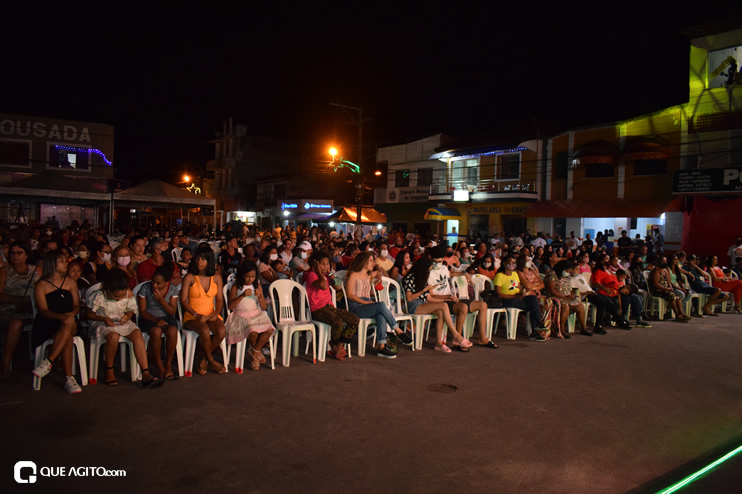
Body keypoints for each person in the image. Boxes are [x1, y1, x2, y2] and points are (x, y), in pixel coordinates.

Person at [85, 269, 164, 387]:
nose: (119, 299)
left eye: (121, 296)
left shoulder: (129, 293)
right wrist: (103, 319)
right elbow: (88, 314)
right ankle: (109, 369)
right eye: (116, 296)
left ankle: (145, 372)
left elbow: (130, 310)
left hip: (120, 321)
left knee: (137, 333)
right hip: (102, 321)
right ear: (108, 290)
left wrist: (127, 316)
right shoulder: (98, 296)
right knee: (113, 336)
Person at [29, 251, 83, 393]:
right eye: (62, 260)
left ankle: (49, 361)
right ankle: (69, 378)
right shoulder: (41, 285)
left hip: (69, 319)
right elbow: (43, 310)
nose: (66, 262)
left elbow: (77, 305)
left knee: (67, 325)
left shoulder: (70, 282)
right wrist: (61, 317)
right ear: (52, 263)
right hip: (49, 321)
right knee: (68, 336)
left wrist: (70, 315)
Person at [345, 252, 412, 358]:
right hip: (356, 306)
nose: (373, 263)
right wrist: (366, 302)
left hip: (367, 305)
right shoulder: (354, 275)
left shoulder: (368, 274)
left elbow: (384, 275)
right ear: (364, 262)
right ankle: (398, 330)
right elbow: (349, 295)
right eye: (371, 261)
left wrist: (379, 273)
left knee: (381, 316)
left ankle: (381, 346)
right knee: (380, 306)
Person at [427, 246, 493, 348]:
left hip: (451, 299)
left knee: (482, 305)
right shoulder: (428, 273)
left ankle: (482, 338)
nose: (438, 264)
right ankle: (457, 339)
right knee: (463, 307)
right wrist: (448, 296)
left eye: (440, 261)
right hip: (440, 301)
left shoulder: (444, 268)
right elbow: (431, 295)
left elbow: (451, 273)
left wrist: (464, 273)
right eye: (436, 262)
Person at [403, 256, 471, 352]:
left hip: (423, 303)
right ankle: (456, 335)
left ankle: (438, 343)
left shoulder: (423, 277)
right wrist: (424, 290)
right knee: (443, 305)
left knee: (440, 311)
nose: (429, 271)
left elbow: (429, 298)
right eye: (428, 269)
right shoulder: (410, 277)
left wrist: (447, 298)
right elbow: (409, 298)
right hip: (414, 305)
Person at [180, 248, 227, 374]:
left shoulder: (216, 277)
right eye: (198, 258)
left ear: (209, 261)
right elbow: (183, 301)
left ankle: (203, 357)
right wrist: (196, 315)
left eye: (203, 259)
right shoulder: (190, 277)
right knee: (204, 330)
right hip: (192, 316)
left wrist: (216, 313)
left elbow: (220, 300)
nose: (199, 262)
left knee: (222, 330)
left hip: (210, 314)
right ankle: (210, 360)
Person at [305, 252, 358, 361]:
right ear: (316, 265)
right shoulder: (311, 275)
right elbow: (323, 286)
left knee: (354, 319)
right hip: (317, 309)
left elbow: (338, 288)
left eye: (327, 264)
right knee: (338, 322)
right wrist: (319, 273)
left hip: (330, 307)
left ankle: (337, 345)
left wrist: (330, 275)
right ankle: (337, 347)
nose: (326, 266)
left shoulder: (326, 276)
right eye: (323, 264)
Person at [0, 242, 41, 378]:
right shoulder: (5, 271)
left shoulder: (37, 271)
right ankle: (5, 365)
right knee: (15, 323)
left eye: (19, 253)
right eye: (12, 253)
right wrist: (23, 300)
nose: (15, 256)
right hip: (9, 310)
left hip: (33, 310)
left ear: (26, 255)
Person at [225, 261, 275, 370]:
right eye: (247, 276)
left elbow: (263, 307)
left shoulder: (257, 286)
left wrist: (260, 296)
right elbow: (230, 306)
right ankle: (256, 355)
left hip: (255, 313)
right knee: (252, 331)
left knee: (270, 329)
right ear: (242, 275)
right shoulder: (236, 287)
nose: (250, 279)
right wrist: (242, 295)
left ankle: (255, 351)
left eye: (252, 276)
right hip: (240, 314)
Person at [136, 262, 180, 380]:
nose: (154, 285)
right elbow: (143, 311)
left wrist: (161, 300)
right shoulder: (145, 288)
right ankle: (159, 367)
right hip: (148, 317)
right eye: (153, 281)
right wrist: (155, 320)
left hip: (166, 316)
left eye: (159, 283)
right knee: (156, 331)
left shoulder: (172, 289)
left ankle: (168, 364)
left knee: (172, 330)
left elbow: (172, 311)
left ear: (167, 282)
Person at [494, 255, 547, 341]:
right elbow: (498, 294)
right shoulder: (499, 276)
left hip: (517, 298)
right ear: (504, 264)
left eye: (515, 263)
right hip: (506, 300)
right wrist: (513, 296)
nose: (513, 265)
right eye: (511, 263)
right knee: (533, 306)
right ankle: (535, 330)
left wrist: (520, 295)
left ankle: (536, 326)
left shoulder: (515, 274)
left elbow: (518, 289)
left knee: (533, 298)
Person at [590, 254, 633, 330]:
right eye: (606, 259)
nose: (608, 261)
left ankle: (621, 318)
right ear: (601, 261)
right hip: (605, 292)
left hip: (615, 291)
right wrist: (605, 288)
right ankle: (619, 320)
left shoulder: (609, 270)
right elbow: (596, 283)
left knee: (627, 298)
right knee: (614, 301)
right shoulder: (598, 271)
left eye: (609, 259)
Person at [648, 255, 691, 322]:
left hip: (666, 289)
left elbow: (668, 281)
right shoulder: (656, 271)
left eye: (665, 262)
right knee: (672, 295)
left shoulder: (665, 270)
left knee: (678, 295)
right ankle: (677, 315)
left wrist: (670, 287)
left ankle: (681, 313)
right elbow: (655, 284)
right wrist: (667, 289)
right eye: (663, 262)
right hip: (658, 290)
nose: (665, 264)